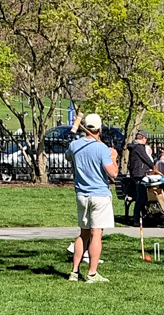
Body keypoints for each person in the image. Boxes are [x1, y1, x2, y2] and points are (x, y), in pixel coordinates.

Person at [66, 113, 118, 283]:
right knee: (96, 234)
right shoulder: (102, 148)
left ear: (86, 127)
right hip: (99, 195)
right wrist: (113, 157)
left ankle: (74, 272)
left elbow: (68, 156)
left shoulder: (75, 145)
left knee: (83, 234)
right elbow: (113, 174)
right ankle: (92, 274)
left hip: (81, 195)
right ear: (99, 129)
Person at [127, 130, 154, 227]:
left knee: (143, 197)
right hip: (139, 175)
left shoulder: (135, 147)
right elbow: (146, 159)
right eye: (146, 139)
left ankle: (142, 217)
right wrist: (154, 167)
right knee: (141, 197)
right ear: (143, 138)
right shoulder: (139, 147)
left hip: (136, 174)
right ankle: (136, 219)